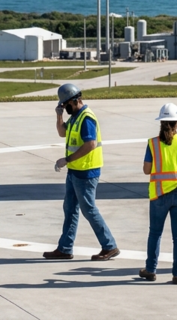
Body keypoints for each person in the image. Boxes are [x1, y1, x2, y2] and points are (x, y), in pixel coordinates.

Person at [43, 83, 120, 261]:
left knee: (89, 210)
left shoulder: (86, 118)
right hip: (75, 171)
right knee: (70, 209)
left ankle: (109, 246)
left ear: (75, 101)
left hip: (86, 172)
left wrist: (67, 159)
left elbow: (90, 144)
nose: (65, 108)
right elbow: (62, 133)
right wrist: (59, 116)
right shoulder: (75, 117)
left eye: (65, 105)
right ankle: (65, 248)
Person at [139, 103, 177, 285]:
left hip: (159, 194)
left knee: (155, 233)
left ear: (161, 122)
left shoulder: (153, 143)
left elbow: (146, 170)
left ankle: (150, 269)